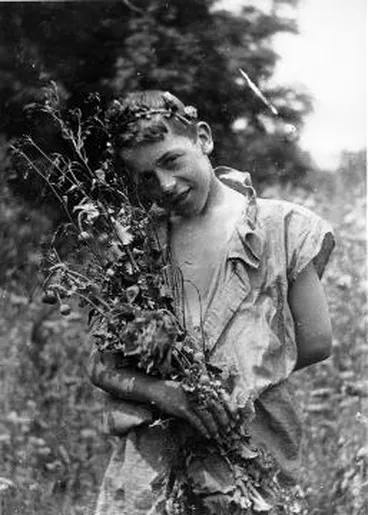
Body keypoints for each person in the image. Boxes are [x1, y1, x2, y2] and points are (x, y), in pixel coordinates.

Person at [87, 90, 335, 514]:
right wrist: (165, 394)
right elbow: (101, 366)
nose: (165, 185)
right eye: (145, 176)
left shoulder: (284, 228)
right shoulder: (135, 249)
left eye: (171, 160)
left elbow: (316, 342)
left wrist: (231, 382)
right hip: (154, 463)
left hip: (253, 448)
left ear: (203, 138)